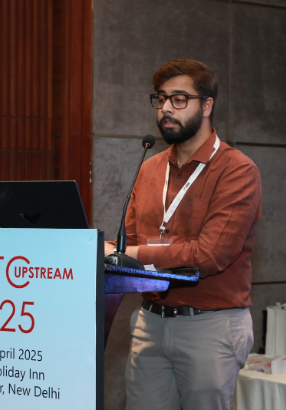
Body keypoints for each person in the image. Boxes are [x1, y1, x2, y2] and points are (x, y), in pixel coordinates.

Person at [104, 59, 261, 410]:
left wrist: (134, 254)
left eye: (179, 99)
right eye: (160, 99)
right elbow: (129, 242)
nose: (166, 109)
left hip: (209, 326)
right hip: (150, 322)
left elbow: (209, 255)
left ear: (206, 105)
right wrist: (97, 248)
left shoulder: (236, 170)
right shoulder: (150, 167)